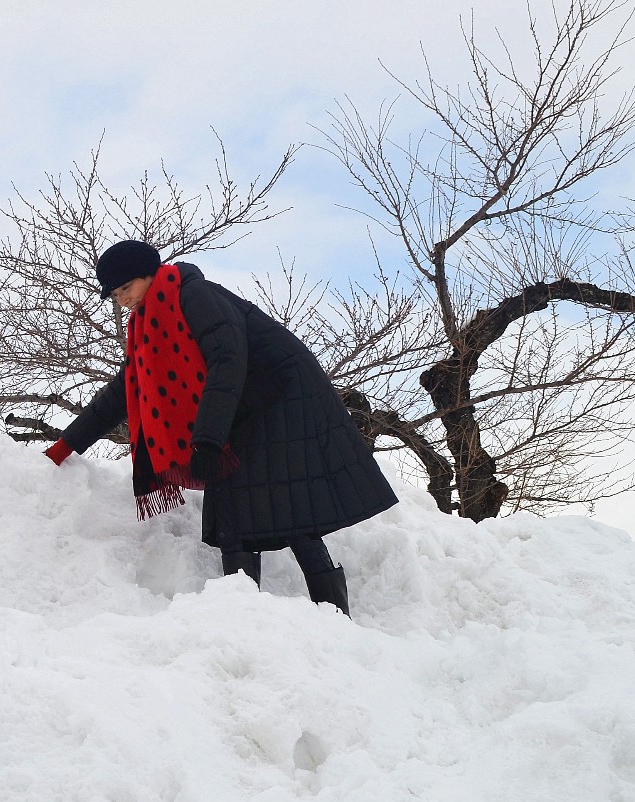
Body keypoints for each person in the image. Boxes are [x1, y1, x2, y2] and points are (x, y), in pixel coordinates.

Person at [45, 239, 397, 615]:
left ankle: (329, 615)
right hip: (239, 404)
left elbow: (228, 359)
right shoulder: (147, 326)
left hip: (282, 396)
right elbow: (122, 389)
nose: (122, 301)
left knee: (283, 502)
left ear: (148, 275)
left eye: (125, 289)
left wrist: (208, 441)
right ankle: (243, 616)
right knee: (235, 510)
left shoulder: (194, 295)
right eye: (114, 295)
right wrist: (66, 445)